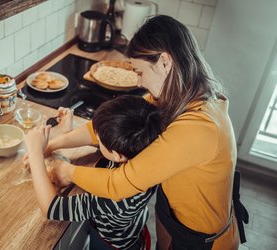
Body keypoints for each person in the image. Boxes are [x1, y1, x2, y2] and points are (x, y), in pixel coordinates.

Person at [43, 15, 248, 249]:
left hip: (201, 240)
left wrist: (66, 170)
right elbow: (103, 127)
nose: (138, 82)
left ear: (164, 62)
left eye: (139, 71)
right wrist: (53, 145)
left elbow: (119, 184)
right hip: (172, 216)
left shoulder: (199, 128)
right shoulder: (176, 97)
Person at [24, 95, 163, 250]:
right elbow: (99, 147)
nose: (95, 139)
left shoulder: (114, 199)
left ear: (117, 155)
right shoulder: (149, 153)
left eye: (99, 139)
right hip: (132, 226)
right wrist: (59, 139)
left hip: (111, 244)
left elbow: (51, 207)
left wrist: (35, 152)